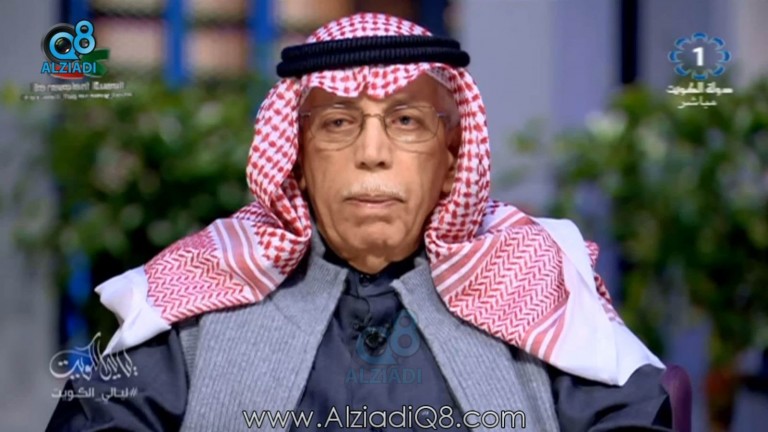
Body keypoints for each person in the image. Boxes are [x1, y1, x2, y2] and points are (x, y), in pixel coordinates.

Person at [46, 12, 673, 432]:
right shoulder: (205, 282)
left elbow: (630, 413)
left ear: (451, 157)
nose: (372, 153)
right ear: (297, 160)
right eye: (339, 123)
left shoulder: (534, 277)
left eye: (407, 122)